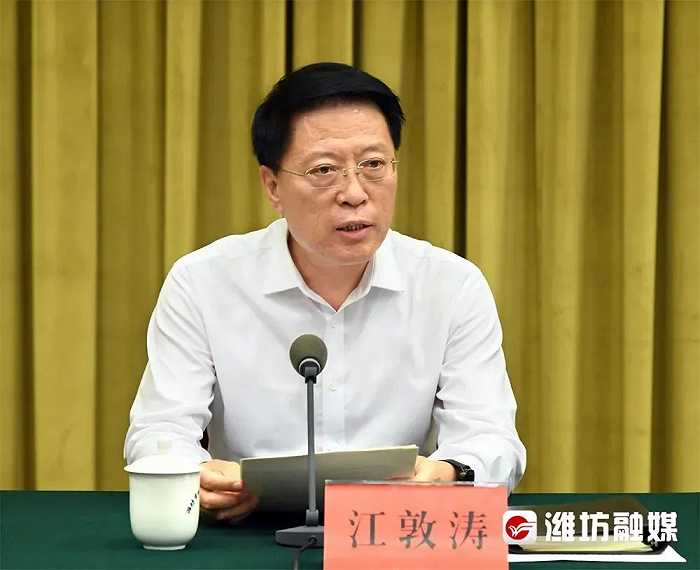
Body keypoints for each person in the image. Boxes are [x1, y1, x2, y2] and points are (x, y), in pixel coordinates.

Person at [124, 62, 526, 523]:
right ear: (273, 186)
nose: (354, 193)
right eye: (324, 170)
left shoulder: (451, 286)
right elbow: (160, 430)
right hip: (249, 529)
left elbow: (491, 439)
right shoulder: (203, 283)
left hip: (392, 534)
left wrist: (449, 472)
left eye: (373, 165)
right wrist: (192, 475)